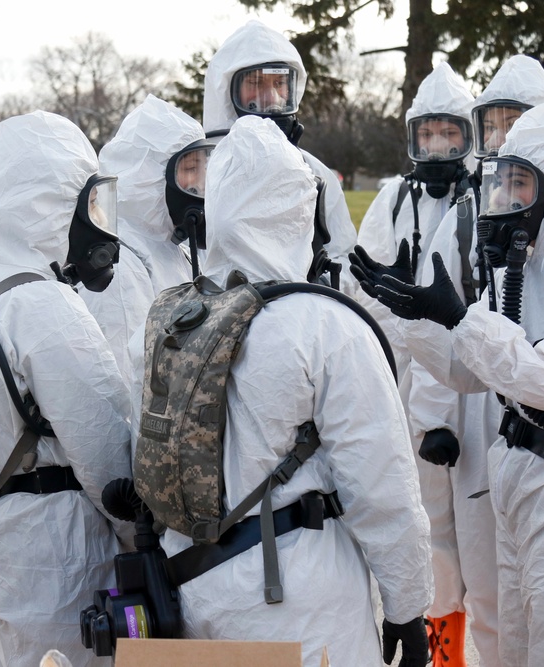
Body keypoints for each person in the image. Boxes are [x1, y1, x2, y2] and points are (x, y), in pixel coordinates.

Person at [353, 100, 544, 666]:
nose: (507, 199)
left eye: (521, 184)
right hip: (522, 489)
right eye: (505, 183)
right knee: (515, 653)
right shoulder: (523, 269)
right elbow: (472, 374)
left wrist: (462, 317)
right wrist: (412, 315)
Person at [130, 115, 433, 667]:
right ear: (299, 210)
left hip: (190, 589)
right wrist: (407, 606)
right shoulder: (323, 324)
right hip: (299, 599)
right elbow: (381, 486)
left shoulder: (172, 316)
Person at [0, 111, 134, 667]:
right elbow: (106, 452)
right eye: (88, 203)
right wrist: (147, 546)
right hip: (53, 560)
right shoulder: (43, 304)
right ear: (49, 205)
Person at [353, 61, 493, 667]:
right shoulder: (393, 199)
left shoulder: (487, 196)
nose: (438, 147)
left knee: (483, 529)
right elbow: (367, 296)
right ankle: (445, 654)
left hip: (482, 385)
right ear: (412, 137)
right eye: (428, 134)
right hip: (411, 382)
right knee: (429, 525)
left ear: (469, 137)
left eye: (449, 134)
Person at [202, 19, 357, 293]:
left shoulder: (314, 173)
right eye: (256, 83)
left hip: (297, 317)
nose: (270, 96)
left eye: (279, 83)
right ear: (228, 90)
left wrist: (321, 286)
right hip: (218, 321)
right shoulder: (200, 171)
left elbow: (343, 254)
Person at [78, 94, 205, 382]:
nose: (200, 183)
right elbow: (123, 383)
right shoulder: (120, 267)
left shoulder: (170, 245)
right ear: (150, 175)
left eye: (204, 167)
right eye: (189, 169)